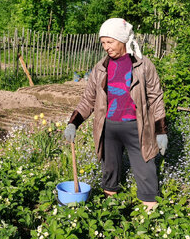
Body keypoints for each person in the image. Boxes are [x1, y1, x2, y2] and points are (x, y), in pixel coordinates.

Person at [64, 18, 168, 210]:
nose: (106, 47)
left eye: (110, 42)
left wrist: (161, 131)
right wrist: (74, 122)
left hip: (137, 129)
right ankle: (111, 215)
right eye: (103, 43)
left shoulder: (143, 65)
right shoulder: (100, 67)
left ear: (122, 40)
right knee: (109, 172)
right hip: (108, 128)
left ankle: (150, 220)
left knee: (146, 172)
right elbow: (89, 99)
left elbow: (155, 98)